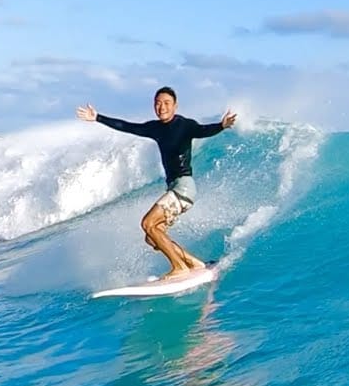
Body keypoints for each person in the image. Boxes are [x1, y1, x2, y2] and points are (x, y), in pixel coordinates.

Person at [76, 86, 237, 279]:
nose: (162, 107)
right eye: (158, 103)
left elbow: (203, 130)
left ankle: (179, 267)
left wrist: (221, 125)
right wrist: (98, 118)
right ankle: (195, 263)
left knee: (147, 223)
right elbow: (127, 126)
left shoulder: (184, 125)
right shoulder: (155, 128)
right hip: (174, 189)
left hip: (184, 187)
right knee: (153, 237)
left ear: (175, 105)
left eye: (166, 103)